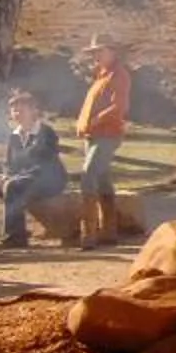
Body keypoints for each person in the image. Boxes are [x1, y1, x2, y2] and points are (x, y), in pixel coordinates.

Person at [0, 89, 70, 249]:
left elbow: (43, 164)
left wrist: (12, 179)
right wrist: (5, 176)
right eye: (14, 110)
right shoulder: (14, 136)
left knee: (13, 186)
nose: (17, 113)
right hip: (22, 179)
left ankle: (15, 237)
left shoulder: (45, 133)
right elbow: (10, 163)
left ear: (33, 111)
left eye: (21, 109)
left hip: (48, 180)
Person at [74, 36, 133, 245]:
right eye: (94, 52)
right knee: (102, 179)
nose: (96, 55)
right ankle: (109, 231)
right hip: (94, 134)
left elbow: (119, 107)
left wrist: (94, 122)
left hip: (107, 134)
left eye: (100, 51)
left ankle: (88, 234)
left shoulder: (119, 75)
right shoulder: (100, 76)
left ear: (113, 52)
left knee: (89, 174)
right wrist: (84, 124)